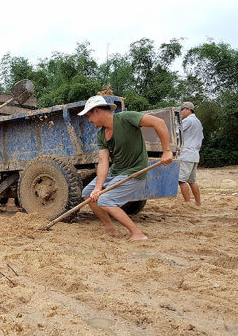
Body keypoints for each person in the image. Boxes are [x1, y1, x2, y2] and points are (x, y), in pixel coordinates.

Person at [79, 95, 174, 240]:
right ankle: (110, 227)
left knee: (105, 200)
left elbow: (159, 122)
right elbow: (103, 161)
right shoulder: (101, 135)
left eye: (89, 116)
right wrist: (98, 188)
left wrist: (166, 151)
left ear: (96, 111)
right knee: (88, 193)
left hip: (134, 171)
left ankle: (137, 234)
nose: (89, 120)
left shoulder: (127, 118)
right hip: (116, 171)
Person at [177, 102, 204, 205]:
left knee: (181, 180)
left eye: (182, 109)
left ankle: (187, 203)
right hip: (195, 155)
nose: (181, 112)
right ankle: (198, 202)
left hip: (186, 154)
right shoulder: (198, 122)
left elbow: (176, 133)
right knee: (192, 181)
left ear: (188, 110)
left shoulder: (187, 121)